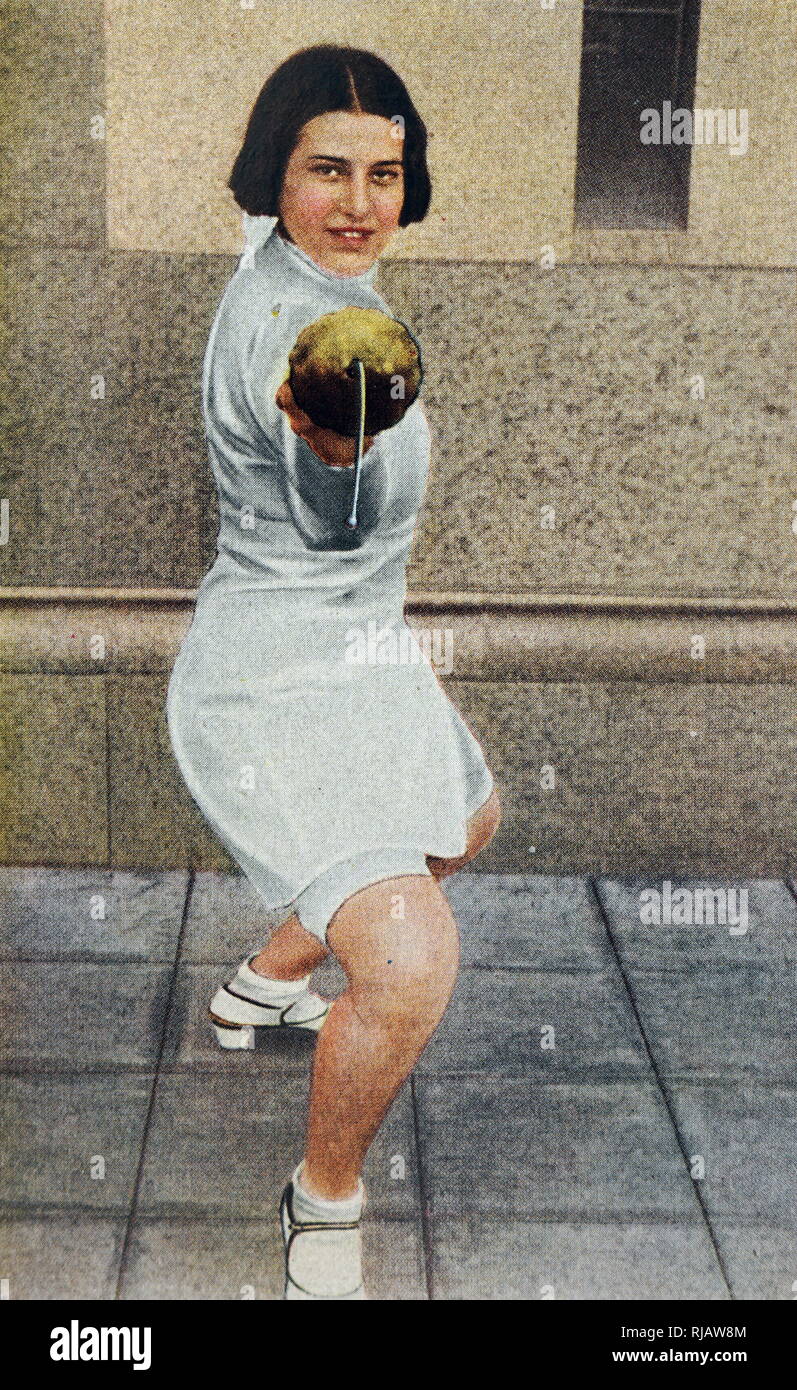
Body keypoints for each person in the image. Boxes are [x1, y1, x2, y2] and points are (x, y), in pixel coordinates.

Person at [166, 43, 501, 1300]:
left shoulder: (275, 248)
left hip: (359, 652)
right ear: (276, 175)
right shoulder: (324, 349)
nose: (359, 202)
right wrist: (331, 450)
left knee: (462, 818)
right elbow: (330, 517)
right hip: (271, 676)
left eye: (384, 170)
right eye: (325, 171)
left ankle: (266, 978)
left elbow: (290, 210)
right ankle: (322, 1202)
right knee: (411, 961)